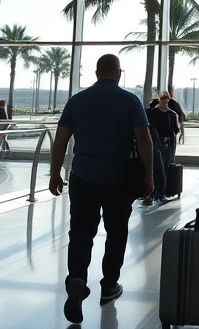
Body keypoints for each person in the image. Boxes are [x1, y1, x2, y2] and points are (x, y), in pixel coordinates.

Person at [49, 54, 154, 325]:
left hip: (83, 177)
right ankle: (109, 286)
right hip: (118, 180)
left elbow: (61, 139)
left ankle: (77, 279)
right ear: (119, 73)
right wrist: (149, 175)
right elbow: (144, 138)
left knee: (81, 232)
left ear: (97, 73)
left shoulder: (77, 100)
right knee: (116, 233)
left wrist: (55, 173)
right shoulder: (130, 101)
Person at [143, 93, 179, 206]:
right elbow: (175, 130)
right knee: (162, 168)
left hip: (156, 143)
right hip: (163, 144)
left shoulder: (152, 113)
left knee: (157, 168)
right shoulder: (171, 114)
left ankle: (153, 194)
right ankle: (158, 193)